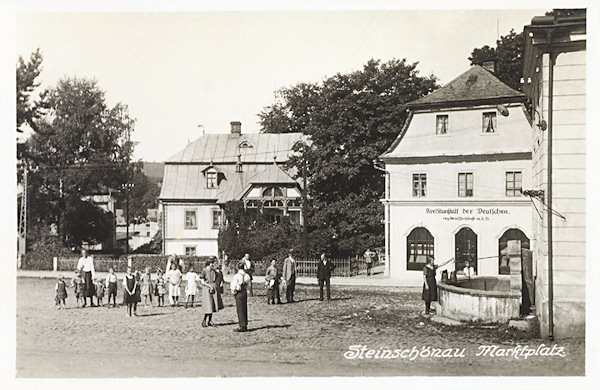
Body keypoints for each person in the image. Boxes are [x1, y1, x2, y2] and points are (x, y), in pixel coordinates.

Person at [230, 262, 251, 332]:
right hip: (244, 292)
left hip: (239, 292)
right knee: (244, 307)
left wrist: (233, 291)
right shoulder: (247, 275)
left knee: (240, 309)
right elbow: (249, 285)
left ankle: (242, 325)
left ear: (237, 267)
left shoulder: (236, 276)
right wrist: (248, 291)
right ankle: (245, 324)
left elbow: (233, 286)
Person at [199, 259, 219, 326]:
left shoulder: (214, 272)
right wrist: (209, 286)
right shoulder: (204, 271)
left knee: (212, 305)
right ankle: (204, 320)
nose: (212, 265)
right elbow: (202, 281)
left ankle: (210, 320)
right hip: (207, 289)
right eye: (211, 263)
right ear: (208, 264)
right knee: (208, 305)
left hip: (213, 289)